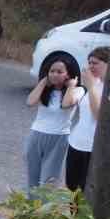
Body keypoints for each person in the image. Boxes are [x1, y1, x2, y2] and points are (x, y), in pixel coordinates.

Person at [24, 53, 84, 190]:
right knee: (32, 178)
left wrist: (70, 86)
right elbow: (30, 102)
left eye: (59, 72)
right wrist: (44, 82)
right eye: (52, 71)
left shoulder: (78, 90)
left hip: (58, 137)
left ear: (69, 74)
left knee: (48, 180)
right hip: (36, 134)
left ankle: (44, 211)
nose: (55, 74)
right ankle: (31, 210)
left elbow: (66, 104)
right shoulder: (45, 89)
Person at [67, 47, 110, 193]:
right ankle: (74, 216)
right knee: (72, 187)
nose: (91, 66)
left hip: (93, 148)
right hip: (76, 142)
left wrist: (90, 87)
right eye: (89, 62)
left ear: (108, 64)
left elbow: (99, 116)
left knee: (86, 190)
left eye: (95, 63)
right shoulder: (94, 84)